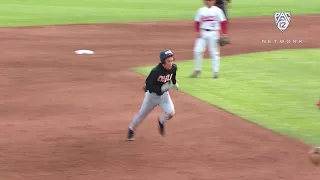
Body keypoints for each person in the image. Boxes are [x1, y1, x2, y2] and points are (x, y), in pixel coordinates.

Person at [126, 49, 179, 141]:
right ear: (163, 62)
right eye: (168, 61)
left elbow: (173, 75)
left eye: (172, 60)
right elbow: (148, 85)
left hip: (164, 96)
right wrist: (160, 89)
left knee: (171, 113)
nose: (170, 63)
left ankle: (161, 122)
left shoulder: (173, 67)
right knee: (141, 115)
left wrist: (174, 83)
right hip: (152, 96)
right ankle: (131, 129)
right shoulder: (155, 71)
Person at [190, 0, 228, 78]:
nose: (209, 2)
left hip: (214, 33)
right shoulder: (201, 10)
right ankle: (197, 70)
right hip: (203, 32)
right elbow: (197, 22)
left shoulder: (217, 10)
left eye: (210, 0)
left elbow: (223, 22)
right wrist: (197, 32)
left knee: (214, 53)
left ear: (213, 1)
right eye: (207, 0)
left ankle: (215, 72)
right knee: (197, 51)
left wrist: (224, 33)